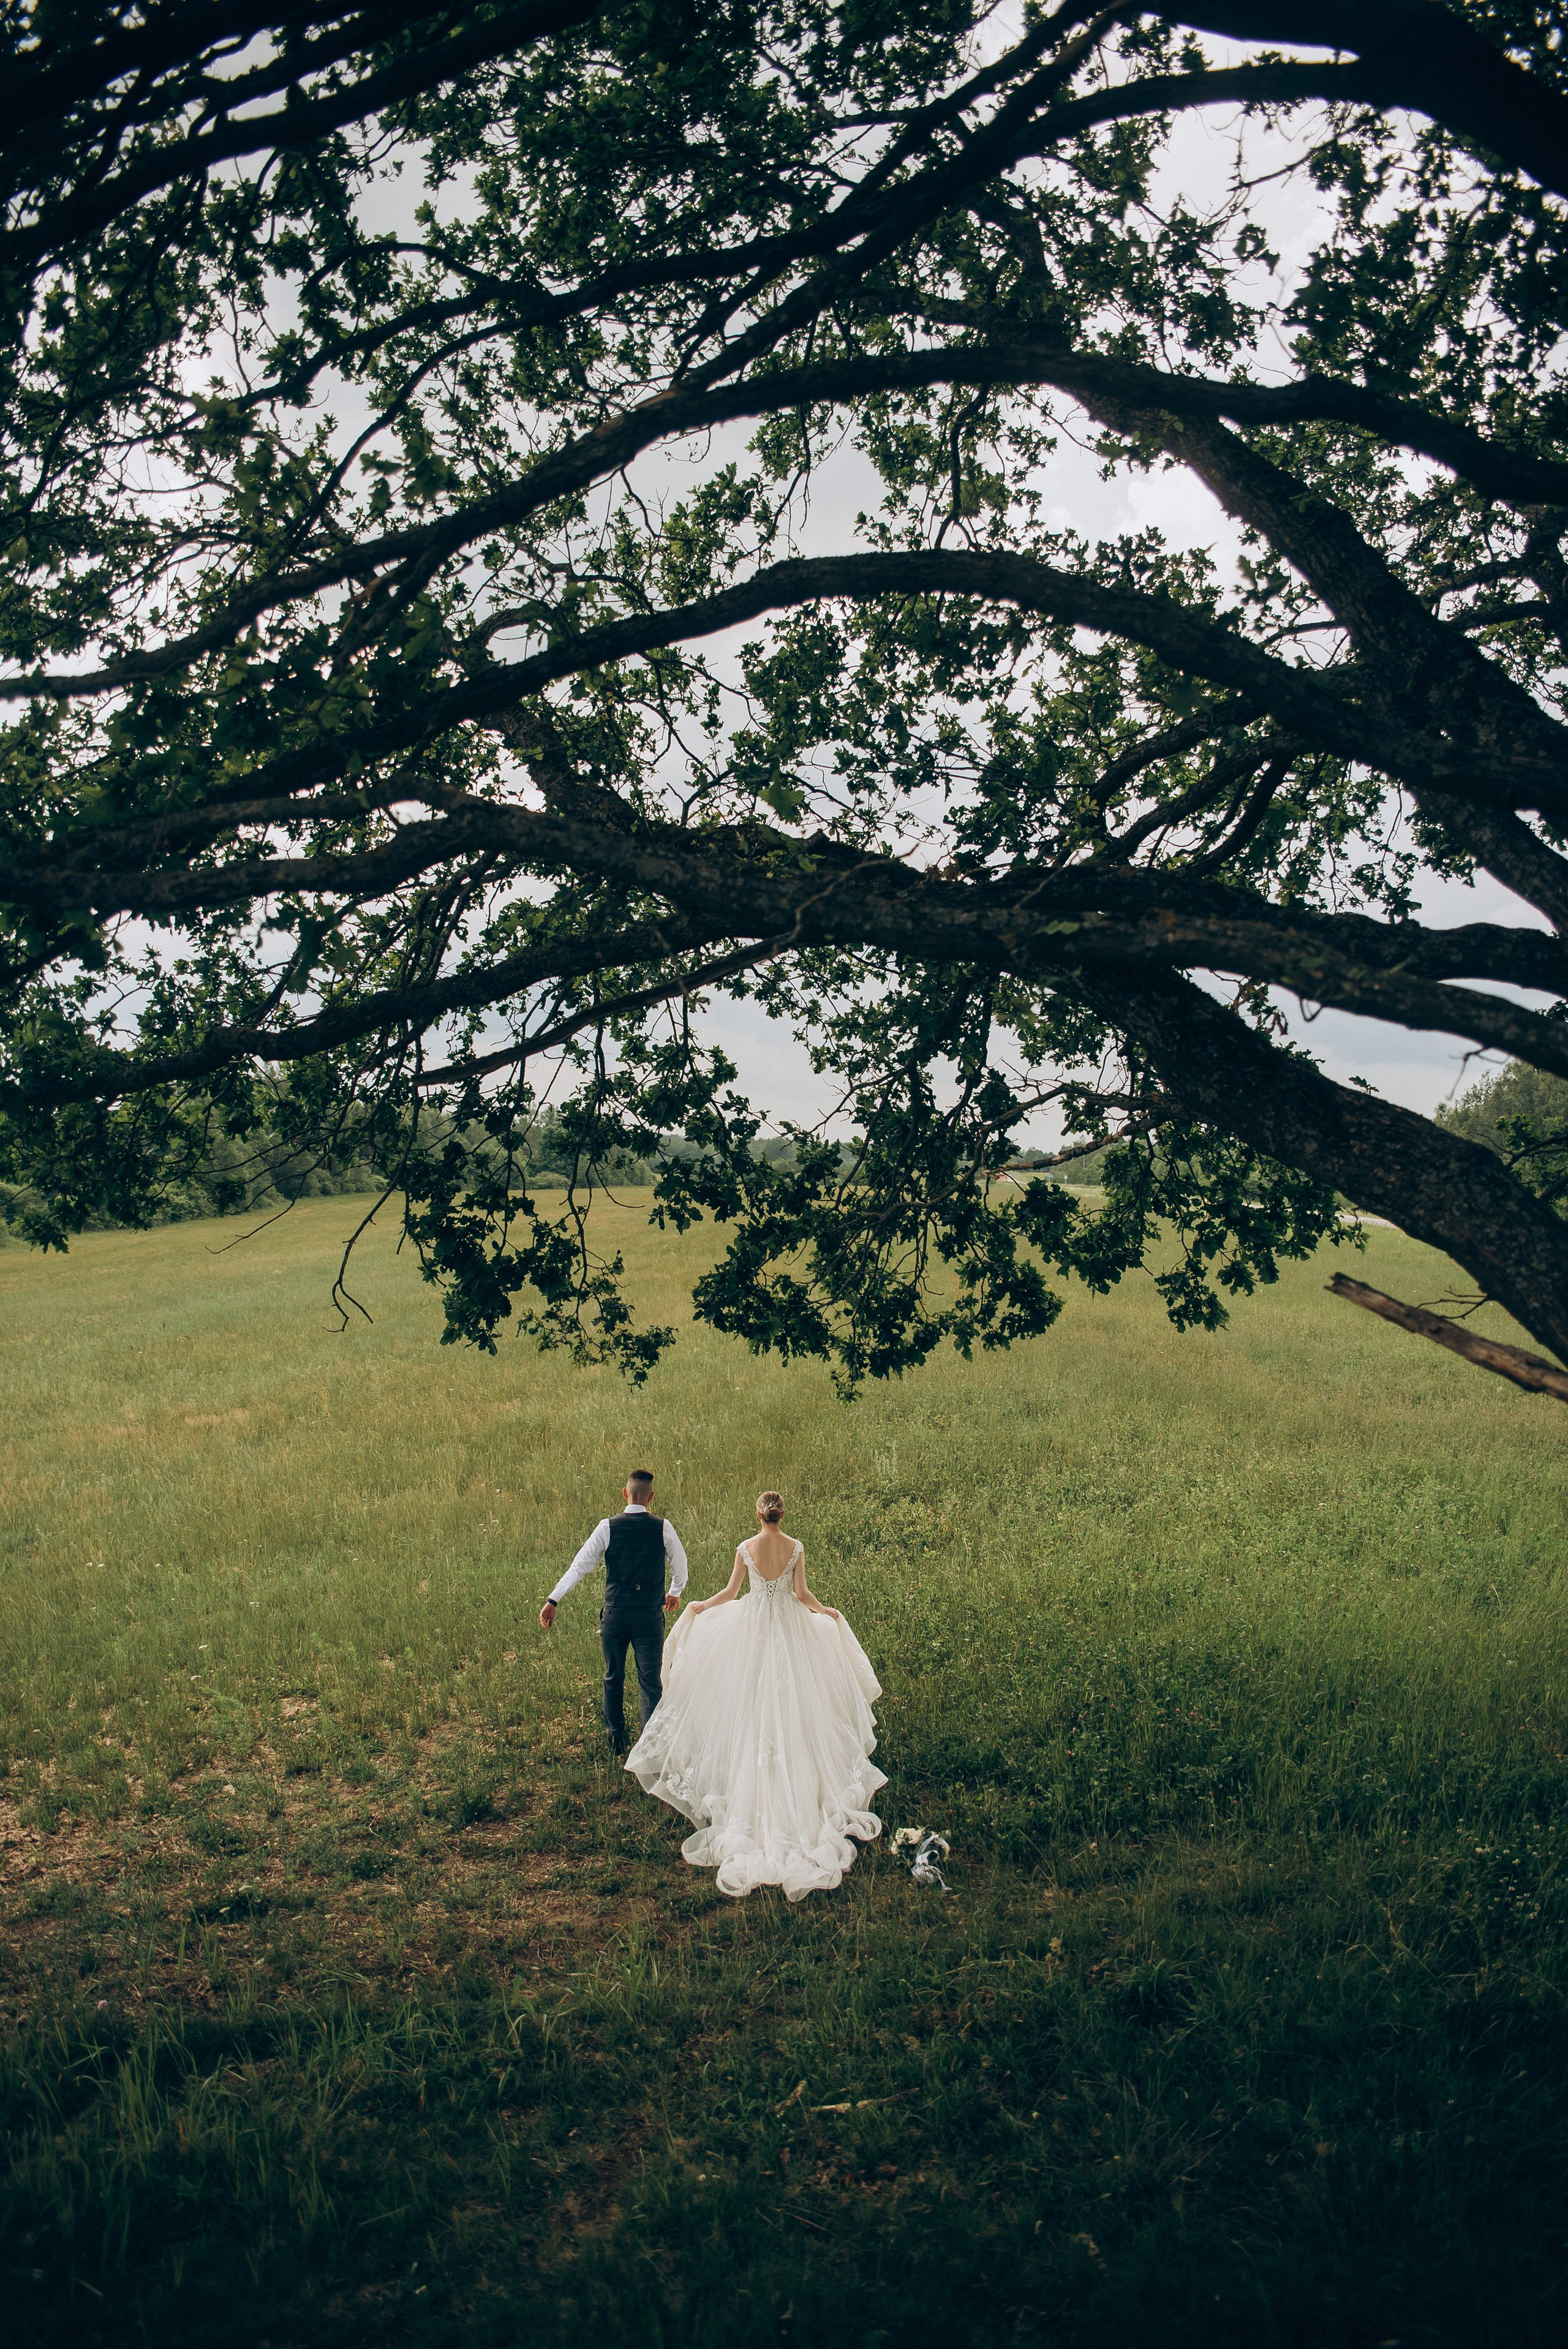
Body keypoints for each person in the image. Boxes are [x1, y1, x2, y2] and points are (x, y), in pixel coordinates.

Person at [625, 1490, 884, 1901]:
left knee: (751, 1702)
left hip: (754, 1628)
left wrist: (700, 1606)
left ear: (758, 1514)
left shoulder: (745, 1547)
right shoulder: (795, 1547)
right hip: (788, 1630)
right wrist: (826, 1611)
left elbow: (730, 1593)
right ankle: (801, 1797)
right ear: (783, 1514)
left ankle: (753, 1791)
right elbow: (801, 1595)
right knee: (791, 1701)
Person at [540, 1470, 687, 1756]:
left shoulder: (607, 1527)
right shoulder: (663, 1527)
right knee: (650, 1682)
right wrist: (674, 1592)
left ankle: (616, 1740)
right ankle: (648, 1747)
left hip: (616, 1614)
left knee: (613, 1676)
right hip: (648, 1616)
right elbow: (680, 1567)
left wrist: (553, 1599)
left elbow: (579, 1566)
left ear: (625, 1493)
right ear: (651, 1498)